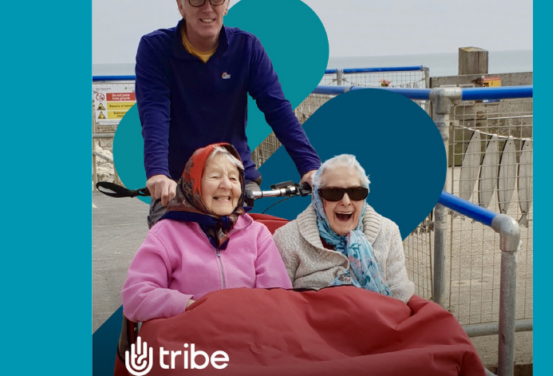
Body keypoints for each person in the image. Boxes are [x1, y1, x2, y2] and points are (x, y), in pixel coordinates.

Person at [136, 0, 321, 228]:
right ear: (180, 5)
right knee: (168, 244)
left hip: (232, 177)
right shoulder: (156, 48)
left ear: (226, 6)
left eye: (216, 0)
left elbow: (277, 109)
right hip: (180, 180)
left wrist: (310, 167)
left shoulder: (246, 47)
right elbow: (155, 112)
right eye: (196, 0)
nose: (207, 8)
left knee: (251, 245)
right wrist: (158, 173)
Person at [122, 143, 292, 322]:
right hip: (189, 340)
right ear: (193, 184)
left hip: (248, 336)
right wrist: (193, 307)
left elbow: (278, 295)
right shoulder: (166, 233)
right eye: (215, 176)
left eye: (234, 178)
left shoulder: (257, 234)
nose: (226, 185)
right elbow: (136, 297)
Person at [273, 154, 415, 303]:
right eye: (334, 192)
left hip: (379, 322)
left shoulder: (388, 231)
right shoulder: (287, 237)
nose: (346, 202)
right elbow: (280, 304)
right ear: (318, 198)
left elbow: (400, 296)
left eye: (356, 192)